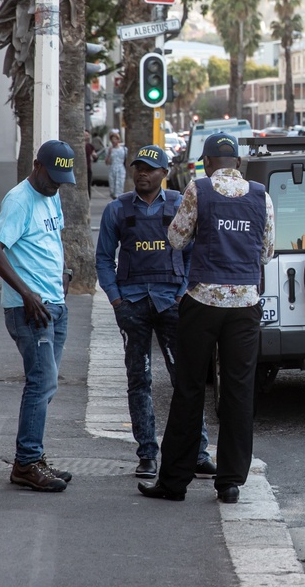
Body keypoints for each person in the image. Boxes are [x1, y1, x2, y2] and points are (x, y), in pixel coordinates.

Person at [139, 133, 274, 504]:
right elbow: (266, 252)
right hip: (245, 305)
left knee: (189, 390)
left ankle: (174, 482)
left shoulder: (198, 190)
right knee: (238, 392)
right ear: (238, 164)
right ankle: (229, 482)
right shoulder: (261, 195)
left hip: (202, 302)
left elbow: (177, 239)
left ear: (208, 162)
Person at [95, 144, 215, 481]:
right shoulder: (117, 210)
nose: (142, 174)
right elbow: (104, 258)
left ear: (164, 173)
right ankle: (147, 454)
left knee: (185, 381)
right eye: (138, 168)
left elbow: (194, 254)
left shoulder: (180, 206)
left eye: (149, 168)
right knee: (139, 380)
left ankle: (198, 453)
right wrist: (117, 300)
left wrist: (181, 294)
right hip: (132, 305)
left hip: (172, 304)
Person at [0, 140, 76, 492]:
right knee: (41, 382)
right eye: (52, 177)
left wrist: (64, 271)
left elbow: (52, 240)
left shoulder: (51, 194)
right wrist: (26, 293)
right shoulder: (19, 199)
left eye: (61, 180)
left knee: (46, 385)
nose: (55, 185)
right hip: (29, 309)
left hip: (54, 304)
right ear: (36, 165)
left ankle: (34, 457)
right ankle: (26, 463)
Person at [106, 132, 126, 200]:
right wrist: (109, 153)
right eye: (112, 139)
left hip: (120, 169)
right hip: (112, 168)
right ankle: (114, 199)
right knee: (112, 187)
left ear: (118, 140)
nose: (114, 141)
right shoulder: (109, 149)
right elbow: (107, 162)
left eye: (115, 139)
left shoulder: (124, 149)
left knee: (120, 186)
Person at [84, 131, 97, 199]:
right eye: (85, 135)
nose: (86, 136)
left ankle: (89, 198)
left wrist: (94, 156)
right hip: (81, 168)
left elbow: (94, 155)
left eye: (87, 135)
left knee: (88, 184)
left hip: (88, 167)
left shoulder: (90, 146)